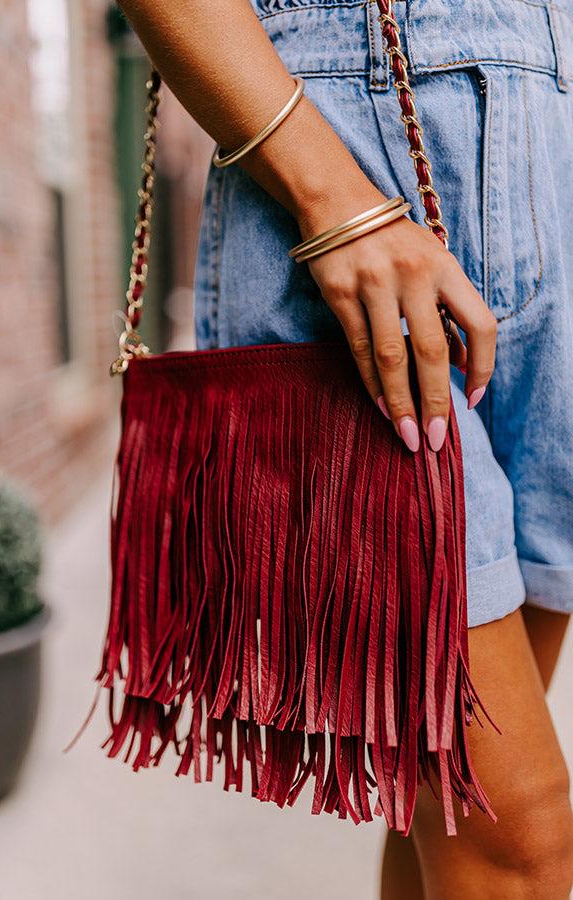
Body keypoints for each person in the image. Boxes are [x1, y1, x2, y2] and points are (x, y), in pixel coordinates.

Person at [117, 1, 573, 896]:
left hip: (555, 137)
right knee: (520, 837)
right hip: (349, 183)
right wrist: (336, 201)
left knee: (440, 809)